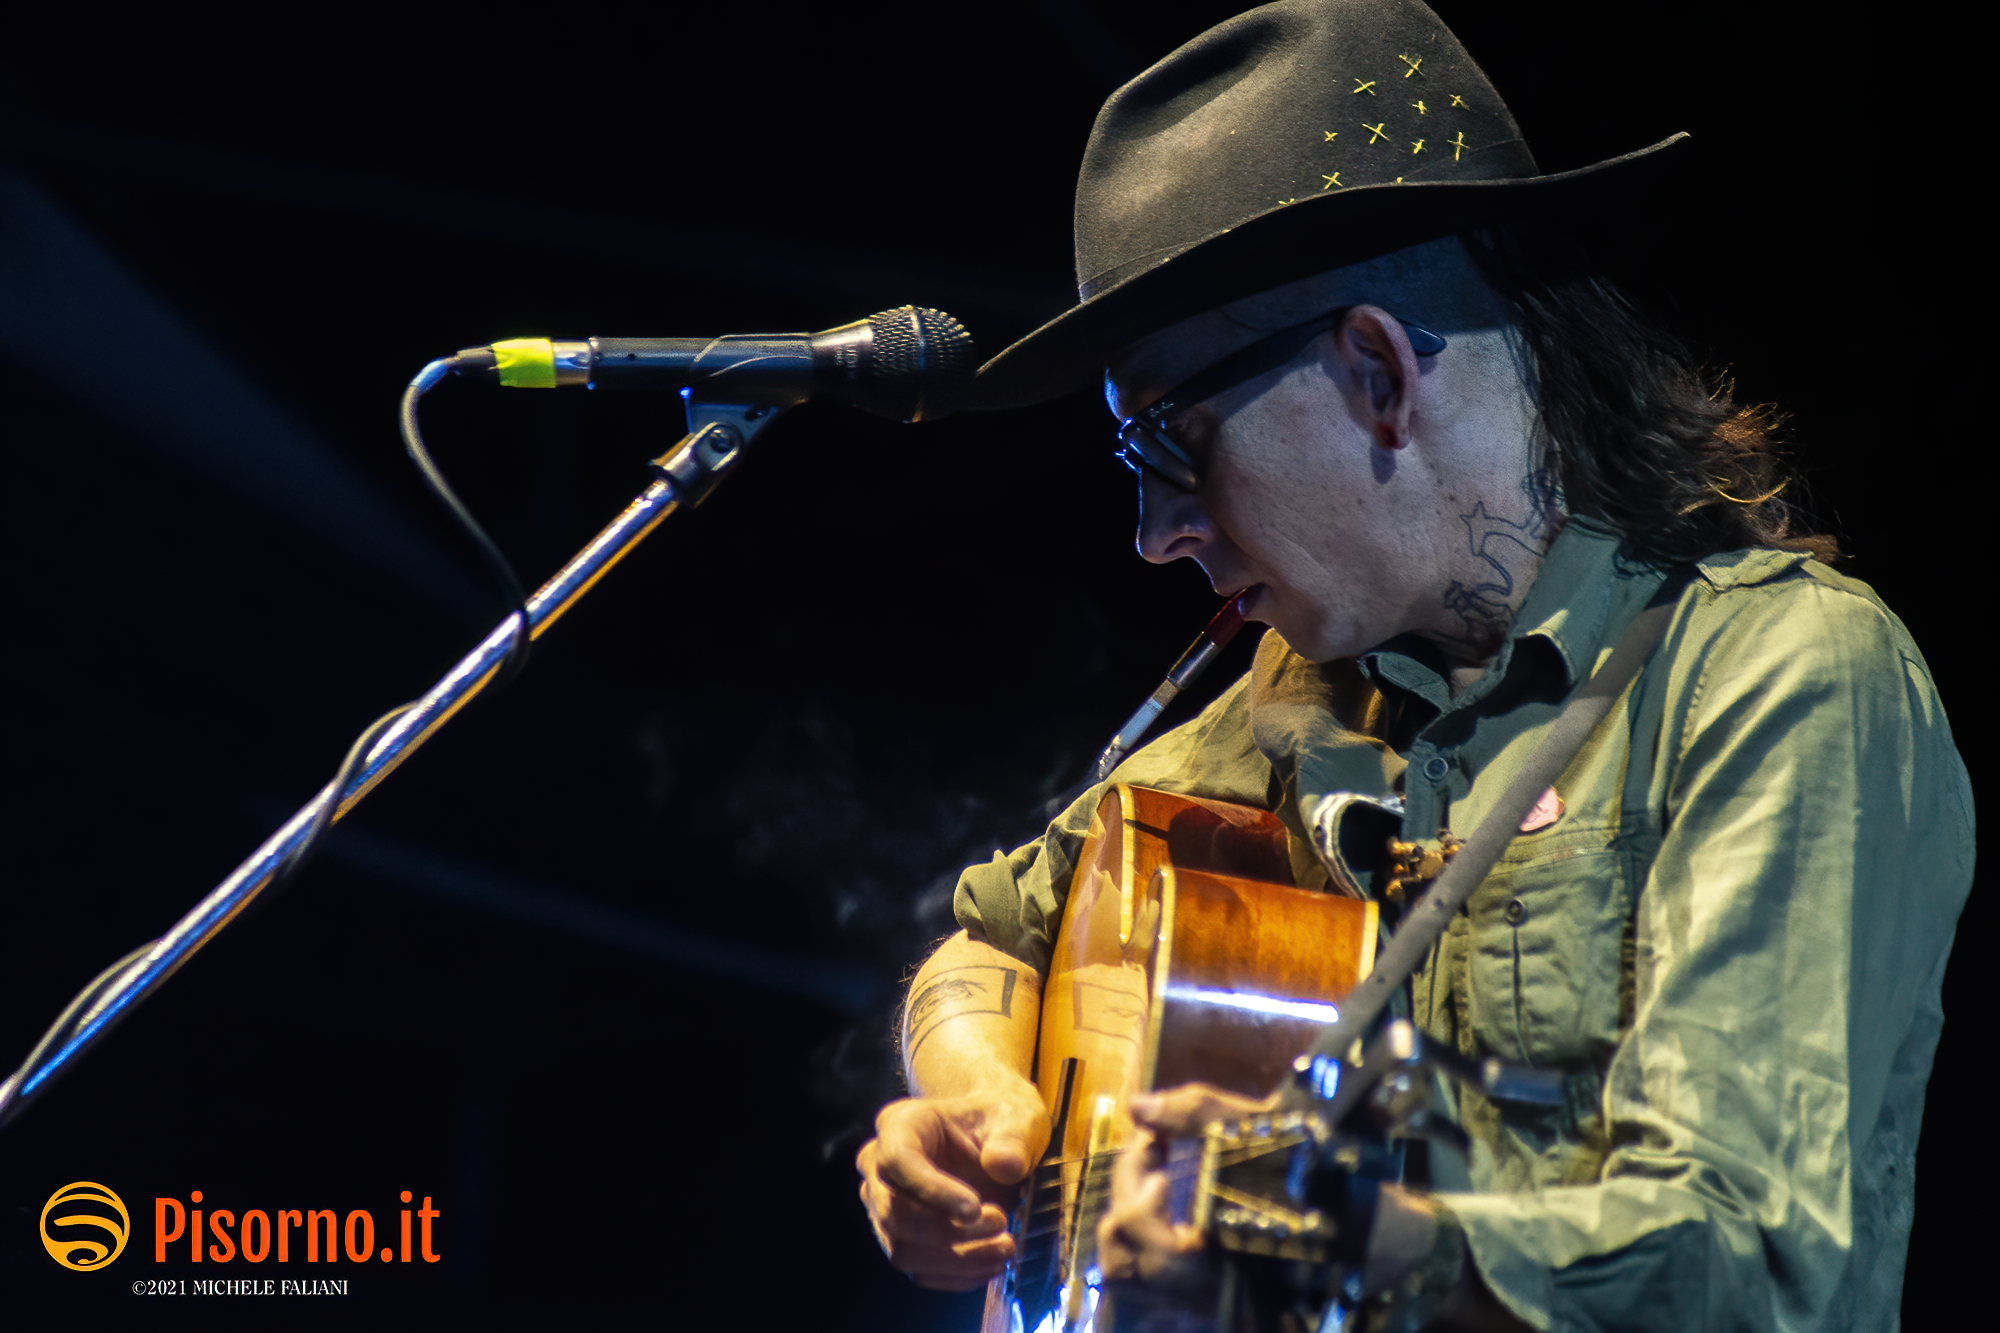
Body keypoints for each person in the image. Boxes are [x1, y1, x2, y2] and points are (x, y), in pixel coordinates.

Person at [854, 2, 1974, 1328]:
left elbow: (1749, 1263)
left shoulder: (1775, 675)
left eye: (1172, 447)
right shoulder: (1301, 692)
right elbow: (992, 934)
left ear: (1379, 371)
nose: (1154, 535)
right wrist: (977, 1096)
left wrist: (1338, 1240)